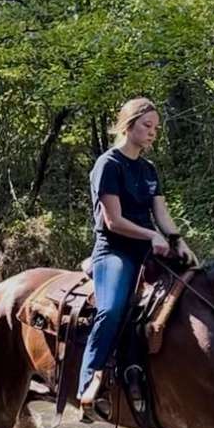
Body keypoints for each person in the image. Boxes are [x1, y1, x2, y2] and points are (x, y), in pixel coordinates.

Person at [77, 97, 197, 410]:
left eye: (156, 128)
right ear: (128, 125)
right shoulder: (109, 164)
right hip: (115, 249)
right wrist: (151, 234)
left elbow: (161, 212)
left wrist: (177, 240)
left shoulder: (148, 169)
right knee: (113, 308)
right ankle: (90, 380)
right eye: (147, 126)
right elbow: (113, 221)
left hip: (150, 248)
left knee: (195, 289)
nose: (152, 133)